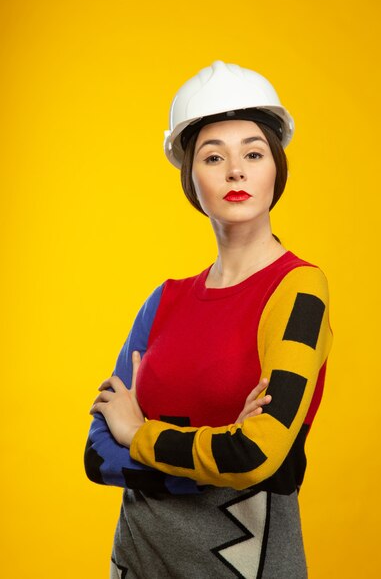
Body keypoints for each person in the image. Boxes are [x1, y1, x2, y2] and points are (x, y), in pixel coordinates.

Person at [84, 60, 333, 579]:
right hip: (138, 557)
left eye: (253, 153)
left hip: (247, 558)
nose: (235, 171)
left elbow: (261, 456)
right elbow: (97, 455)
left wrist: (141, 433)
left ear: (275, 169)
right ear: (191, 178)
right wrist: (215, 451)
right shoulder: (164, 301)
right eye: (213, 156)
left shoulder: (300, 291)